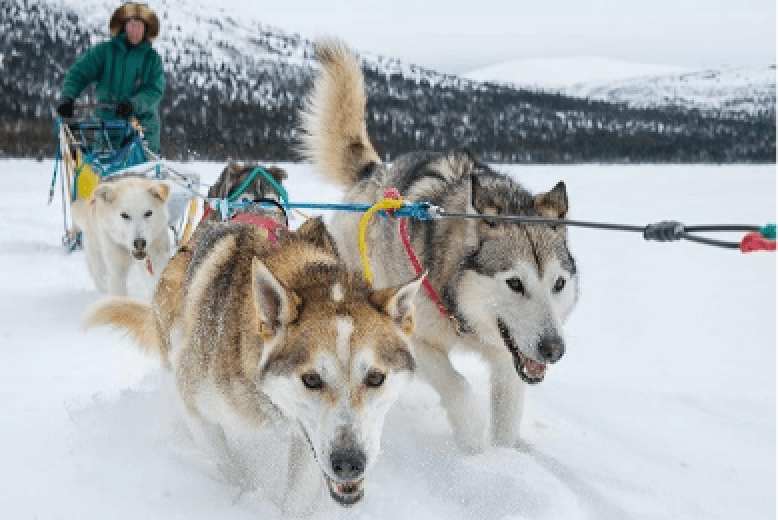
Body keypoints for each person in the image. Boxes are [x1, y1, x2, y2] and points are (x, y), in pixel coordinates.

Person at [57, 3, 165, 153]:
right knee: (104, 172)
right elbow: (79, 72)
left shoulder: (153, 59)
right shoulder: (104, 51)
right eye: (132, 25)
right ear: (124, 26)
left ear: (146, 29)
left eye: (140, 26)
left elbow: (155, 90)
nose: (135, 31)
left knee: (141, 173)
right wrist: (68, 97)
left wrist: (134, 104)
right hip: (106, 127)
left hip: (142, 128)